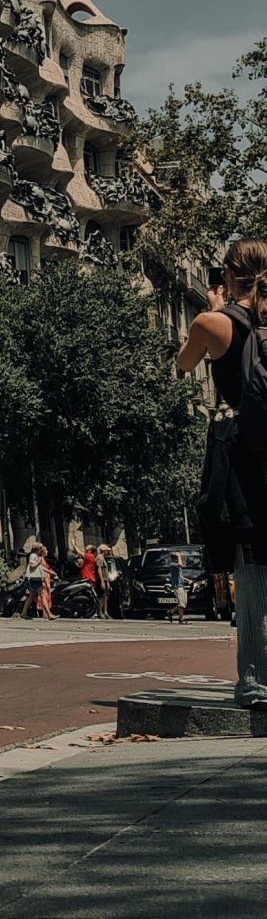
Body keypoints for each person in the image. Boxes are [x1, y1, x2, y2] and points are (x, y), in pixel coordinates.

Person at [182, 235, 267, 706]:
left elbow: (183, 363)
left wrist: (218, 307)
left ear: (229, 274)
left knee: (253, 565)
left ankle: (256, 682)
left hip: (244, 455)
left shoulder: (213, 322)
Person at [94, 540, 117, 617]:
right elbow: (99, 569)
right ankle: (100, 612)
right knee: (101, 596)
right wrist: (102, 581)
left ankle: (105, 612)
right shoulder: (99, 557)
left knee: (105, 596)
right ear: (104, 550)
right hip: (101, 580)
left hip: (105, 579)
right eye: (107, 550)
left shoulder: (103, 558)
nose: (108, 552)